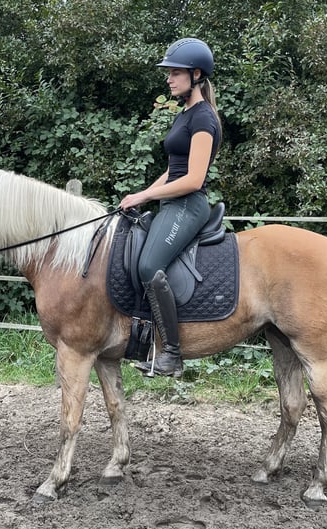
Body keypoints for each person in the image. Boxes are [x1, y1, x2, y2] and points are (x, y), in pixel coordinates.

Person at [118, 38, 222, 378]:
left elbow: (193, 179)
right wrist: (142, 193)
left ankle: (172, 354)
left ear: (195, 75)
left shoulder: (204, 118)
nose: (168, 79)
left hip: (189, 205)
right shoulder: (185, 114)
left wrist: (147, 198)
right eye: (168, 73)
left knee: (149, 265)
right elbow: (174, 169)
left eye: (175, 73)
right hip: (171, 202)